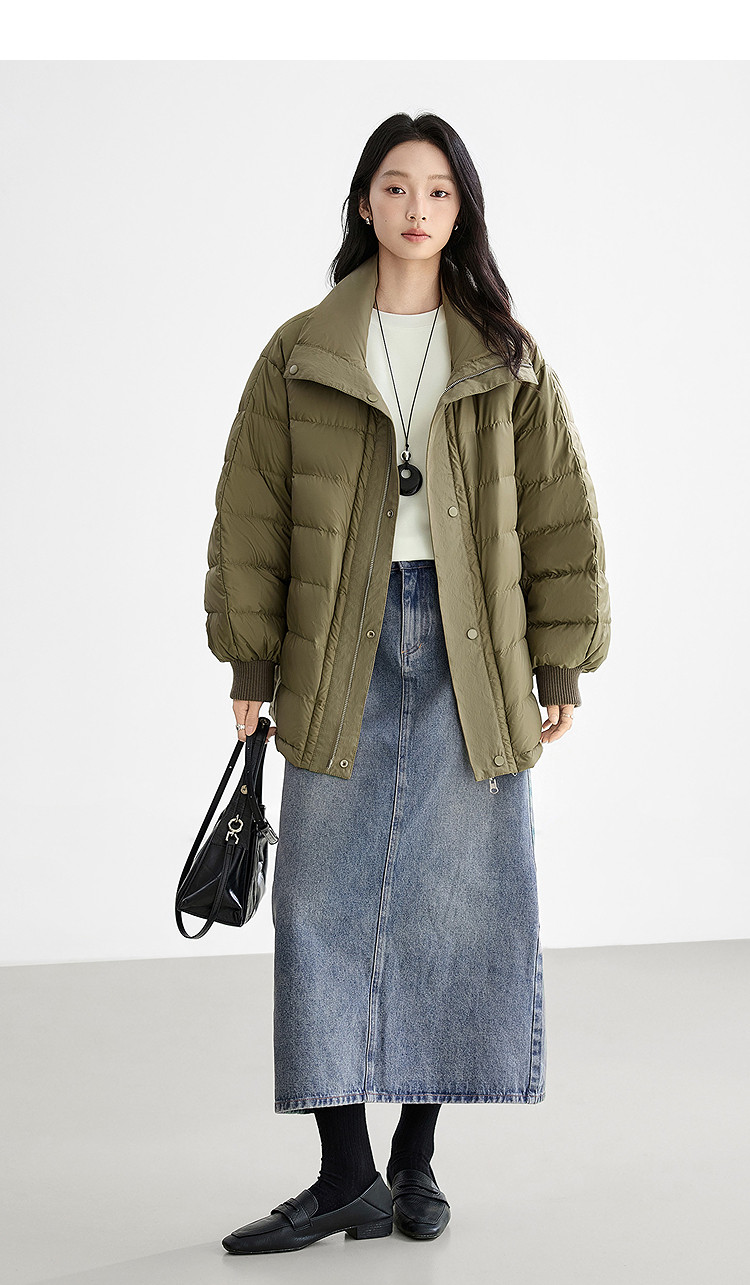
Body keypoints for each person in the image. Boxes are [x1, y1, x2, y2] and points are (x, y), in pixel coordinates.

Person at [205, 112, 611, 1255]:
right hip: (340, 638)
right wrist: (250, 658)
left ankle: (414, 1162)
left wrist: (560, 660)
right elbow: (253, 509)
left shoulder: (506, 356)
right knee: (317, 904)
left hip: (474, 645)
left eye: (437, 189)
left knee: (453, 903)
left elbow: (560, 515)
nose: (417, 207)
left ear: (460, 208)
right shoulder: (301, 350)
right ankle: (345, 1173)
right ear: (365, 204)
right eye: (396, 186)